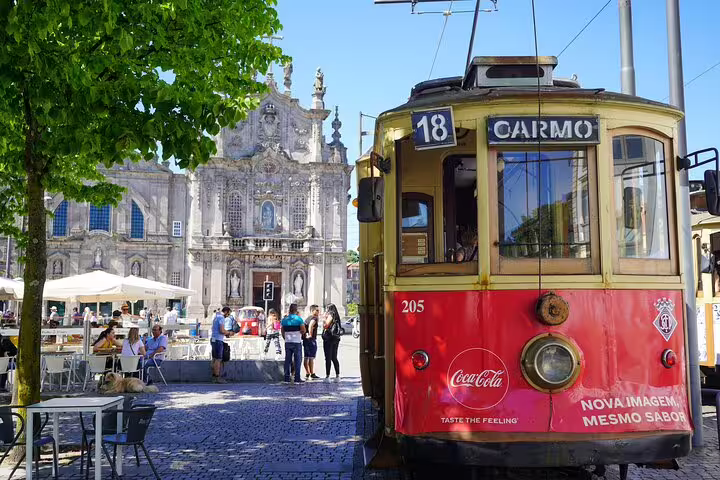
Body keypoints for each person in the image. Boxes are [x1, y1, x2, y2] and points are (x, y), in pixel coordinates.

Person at [281, 303, 305, 383]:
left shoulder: (285, 319)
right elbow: (303, 330)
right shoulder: (298, 319)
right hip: (296, 341)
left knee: (287, 360)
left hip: (288, 341)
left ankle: (286, 378)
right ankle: (297, 378)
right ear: (296, 310)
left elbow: (282, 331)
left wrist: (285, 338)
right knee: (297, 360)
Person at [211, 307, 235, 383]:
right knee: (218, 359)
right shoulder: (221, 317)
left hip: (214, 339)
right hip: (218, 340)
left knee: (215, 359)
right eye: (228, 314)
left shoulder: (216, 317)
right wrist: (229, 333)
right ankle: (217, 378)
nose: (228, 316)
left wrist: (225, 333)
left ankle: (214, 377)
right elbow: (221, 330)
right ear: (226, 311)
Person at [321, 303, 342, 382]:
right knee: (334, 357)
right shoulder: (337, 316)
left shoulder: (330, 314)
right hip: (335, 338)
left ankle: (327, 377)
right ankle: (337, 376)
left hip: (329, 338)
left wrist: (323, 320)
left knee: (328, 358)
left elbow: (326, 325)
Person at [303, 305, 320, 380]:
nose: (318, 312)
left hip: (305, 340)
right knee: (311, 357)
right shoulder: (314, 318)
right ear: (312, 311)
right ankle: (312, 373)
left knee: (306, 357)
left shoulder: (307, 318)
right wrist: (310, 334)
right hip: (311, 340)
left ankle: (307, 373)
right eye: (317, 310)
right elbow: (311, 325)